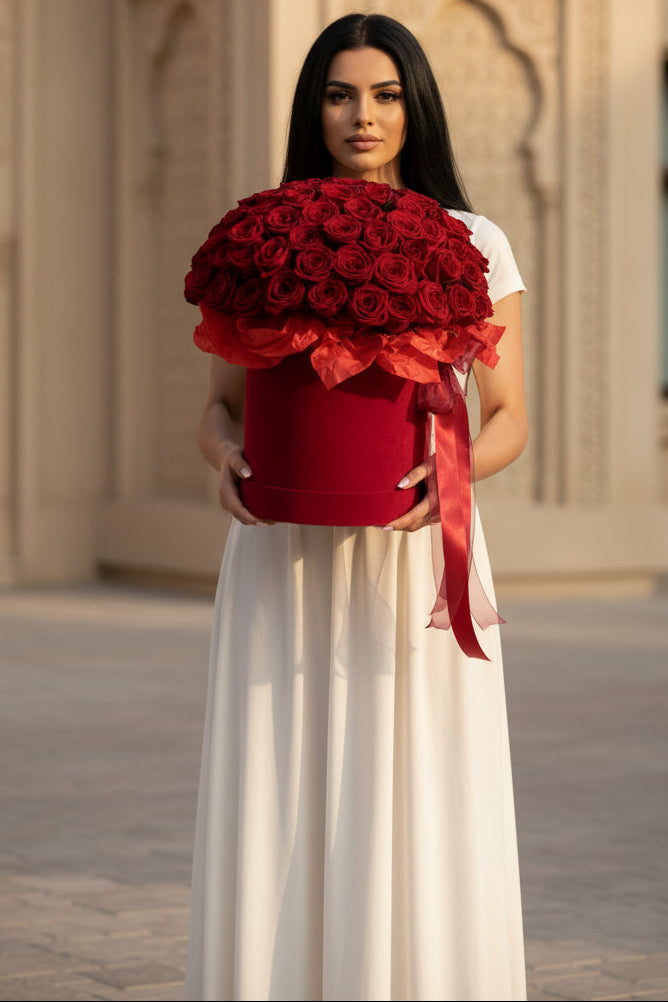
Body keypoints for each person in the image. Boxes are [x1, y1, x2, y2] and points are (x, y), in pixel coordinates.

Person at [184, 12, 528, 1002]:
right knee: (281, 773)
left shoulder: (475, 240)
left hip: (412, 548)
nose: (361, 115)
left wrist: (449, 481)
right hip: (278, 549)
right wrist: (225, 462)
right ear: (313, 107)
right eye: (339, 94)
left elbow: (504, 417)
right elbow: (213, 409)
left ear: (414, 104)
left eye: (382, 94)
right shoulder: (262, 233)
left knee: (412, 779)